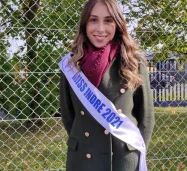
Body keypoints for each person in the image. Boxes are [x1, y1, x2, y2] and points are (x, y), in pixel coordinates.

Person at [59, 0, 155, 170]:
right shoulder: (71, 64)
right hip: (82, 157)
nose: (100, 29)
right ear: (84, 24)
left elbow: (146, 117)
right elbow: (69, 116)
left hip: (123, 159)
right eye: (93, 20)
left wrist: (135, 151)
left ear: (118, 25)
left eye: (108, 21)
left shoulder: (133, 61)